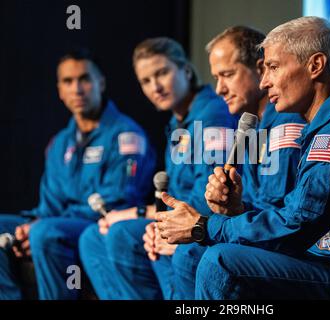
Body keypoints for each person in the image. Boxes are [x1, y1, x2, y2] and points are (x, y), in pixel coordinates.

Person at [155, 17, 330, 299]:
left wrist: (204, 226)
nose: (264, 81)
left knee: (221, 262)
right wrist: (238, 209)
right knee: (208, 253)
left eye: (273, 67)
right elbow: (298, 215)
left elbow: (299, 225)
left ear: (315, 66)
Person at [142, 26, 306, 299]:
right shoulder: (253, 126)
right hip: (259, 235)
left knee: (191, 251)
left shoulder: (283, 124)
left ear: (261, 69)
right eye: (217, 77)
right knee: (162, 242)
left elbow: (277, 215)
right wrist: (227, 207)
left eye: (228, 75)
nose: (220, 89)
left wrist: (201, 229)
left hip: (298, 252)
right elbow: (251, 207)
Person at [78, 37, 236, 299]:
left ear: (185, 70)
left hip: (205, 223)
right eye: (146, 81)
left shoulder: (212, 115)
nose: (156, 87)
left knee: (123, 233)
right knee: (92, 238)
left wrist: (138, 213)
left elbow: (209, 198)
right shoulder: (177, 122)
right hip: (177, 215)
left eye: (162, 73)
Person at [0, 49, 156, 300]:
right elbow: (48, 205)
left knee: (44, 233)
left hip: (101, 225)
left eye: (84, 79)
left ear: (101, 83)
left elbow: (118, 202)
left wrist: (39, 227)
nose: (77, 89)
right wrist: (28, 226)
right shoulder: (59, 143)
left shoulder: (127, 136)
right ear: (60, 90)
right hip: (55, 222)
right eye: (68, 82)